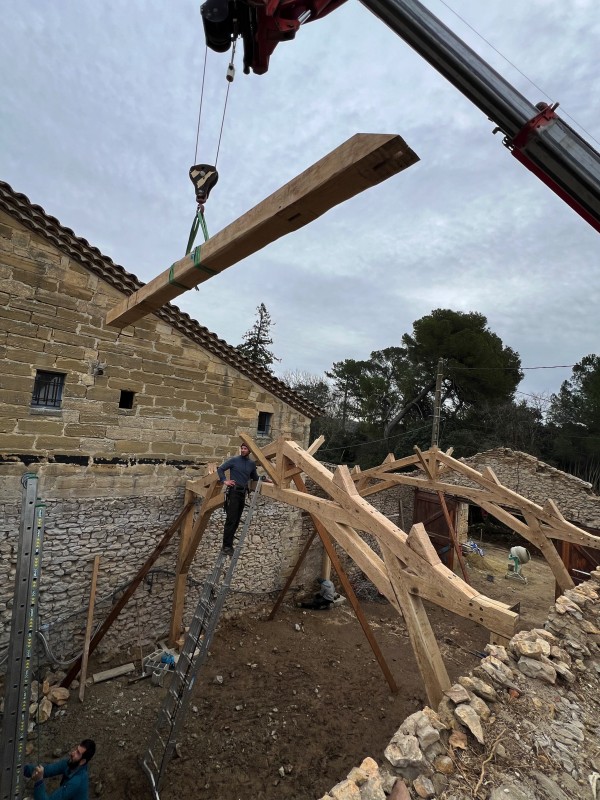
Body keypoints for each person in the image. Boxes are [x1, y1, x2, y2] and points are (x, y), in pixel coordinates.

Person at [217, 442, 260, 555]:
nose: (243, 450)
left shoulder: (251, 464)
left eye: (245, 448)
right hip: (234, 492)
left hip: (243, 493)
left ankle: (229, 545)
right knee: (231, 519)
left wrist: (265, 480)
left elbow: (255, 477)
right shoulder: (234, 460)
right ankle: (226, 546)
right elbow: (220, 469)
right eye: (242, 448)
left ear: (249, 451)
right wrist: (225, 481)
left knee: (236, 520)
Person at [24, 739, 96, 800]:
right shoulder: (71, 763)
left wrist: (39, 781)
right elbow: (47, 770)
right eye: (76, 749)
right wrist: (22, 769)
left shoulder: (76, 782)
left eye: (78, 753)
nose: (73, 753)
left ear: (82, 761)